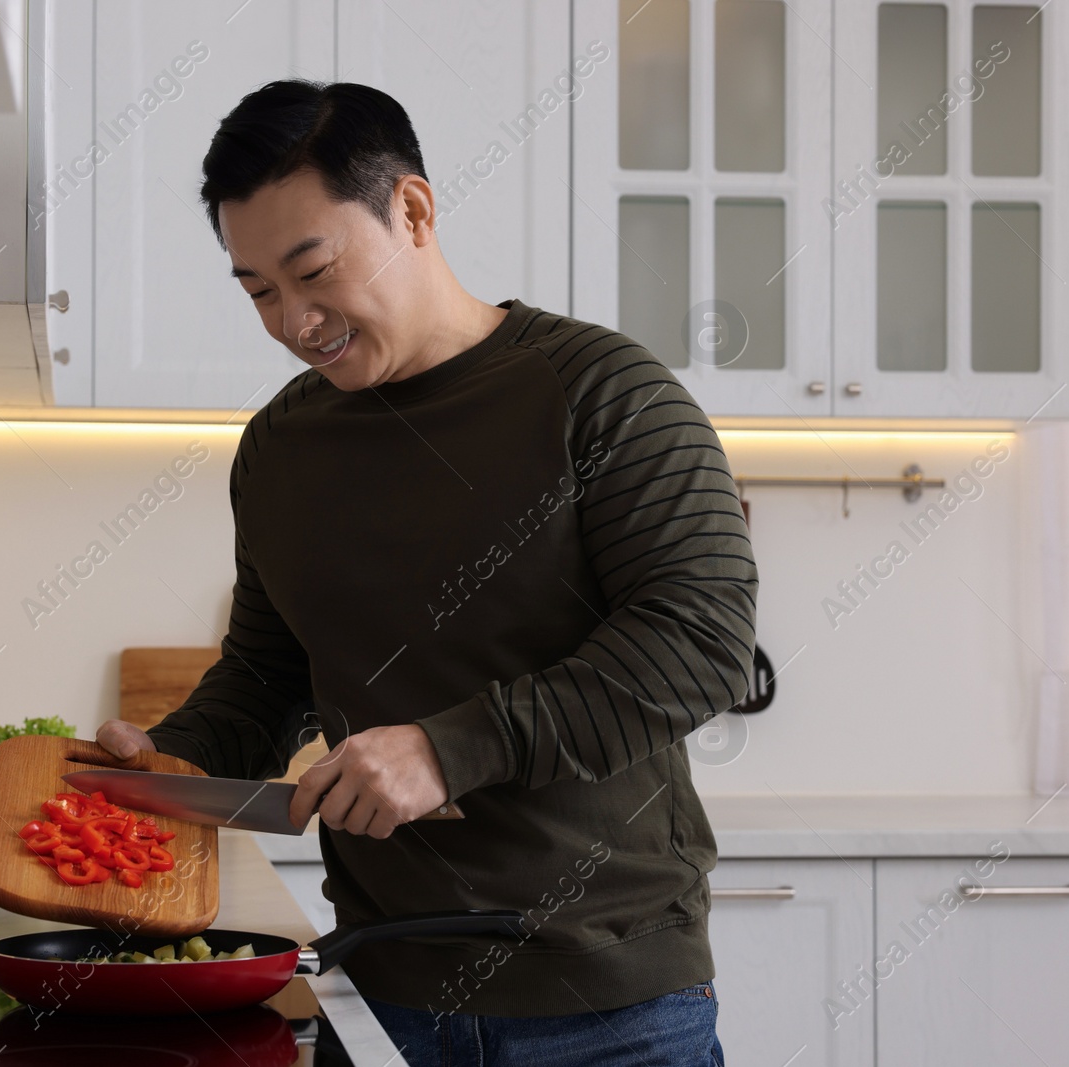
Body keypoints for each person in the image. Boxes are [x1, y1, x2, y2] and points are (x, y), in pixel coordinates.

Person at [95, 79, 757, 1067]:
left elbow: (702, 642)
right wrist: (171, 763)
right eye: (260, 291)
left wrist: (447, 749)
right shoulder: (279, 444)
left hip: (605, 1007)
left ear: (411, 209)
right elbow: (269, 676)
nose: (294, 321)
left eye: (313, 270)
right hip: (379, 996)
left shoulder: (602, 393)